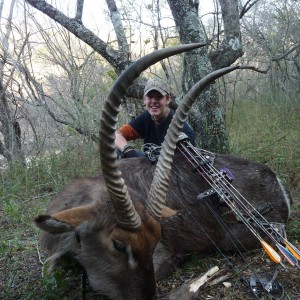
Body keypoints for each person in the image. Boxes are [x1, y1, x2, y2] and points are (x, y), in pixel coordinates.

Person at [115, 78, 196, 158]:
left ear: (168, 99)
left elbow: (184, 164)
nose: (153, 101)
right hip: (149, 162)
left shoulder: (181, 129)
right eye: (150, 97)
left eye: (159, 97)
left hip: (170, 167)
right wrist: (128, 150)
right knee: (118, 150)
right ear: (144, 100)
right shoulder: (146, 117)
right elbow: (117, 135)